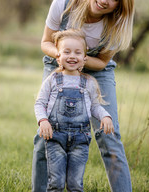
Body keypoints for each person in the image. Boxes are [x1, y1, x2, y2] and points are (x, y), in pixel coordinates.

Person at [32, 0, 135, 192]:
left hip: (96, 68)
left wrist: (80, 60)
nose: (104, 0)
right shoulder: (66, 1)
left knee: (110, 135)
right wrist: (63, 56)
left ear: (120, 4)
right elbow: (46, 42)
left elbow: (102, 62)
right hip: (57, 62)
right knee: (45, 134)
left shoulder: (117, 25)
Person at [35, 29, 114, 191]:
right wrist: (43, 120)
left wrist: (105, 116)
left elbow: (94, 107)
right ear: (58, 57)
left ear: (84, 59)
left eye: (77, 52)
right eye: (67, 52)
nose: (72, 56)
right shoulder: (52, 80)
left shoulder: (89, 83)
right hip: (55, 137)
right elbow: (39, 104)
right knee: (56, 182)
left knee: (75, 184)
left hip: (80, 140)